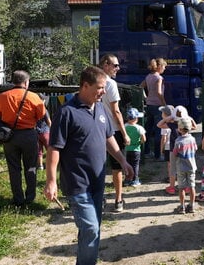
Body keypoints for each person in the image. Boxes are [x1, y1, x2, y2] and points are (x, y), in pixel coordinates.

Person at [44, 66, 134, 265]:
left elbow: (108, 137)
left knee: (93, 229)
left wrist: (122, 160)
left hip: (97, 182)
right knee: (91, 228)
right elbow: (54, 148)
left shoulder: (100, 108)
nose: (103, 92)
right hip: (77, 183)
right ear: (85, 85)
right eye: (100, 87)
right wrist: (51, 181)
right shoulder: (66, 112)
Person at [0, 70, 47, 207]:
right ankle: (30, 197)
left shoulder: (3, 96)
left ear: (13, 81)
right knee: (31, 167)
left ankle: (18, 198)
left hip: (9, 136)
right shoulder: (34, 97)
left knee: (13, 168)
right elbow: (41, 116)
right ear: (26, 82)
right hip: (29, 135)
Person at [98, 54, 129, 212]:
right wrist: (124, 133)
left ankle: (100, 198)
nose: (118, 68)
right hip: (113, 130)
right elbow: (116, 111)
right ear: (106, 65)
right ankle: (118, 200)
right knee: (117, 166)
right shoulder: (110, 83)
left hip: (96, 129)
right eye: (115, 65)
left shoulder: (93, 81)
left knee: (99, 165)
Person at [172, 113, 198, 214]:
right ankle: (192, 206)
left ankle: (182, 207)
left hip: (181, 167)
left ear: (180, 129)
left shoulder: (178, 141)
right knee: (192, 186)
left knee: (181, 187)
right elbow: (195, 149)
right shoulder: (193, 139)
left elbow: (175, 153)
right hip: (191, 166)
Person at [142, 58, 167, 161]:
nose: (165, 69)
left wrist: (146, 98)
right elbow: (159, 92)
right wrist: (164, 105)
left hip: (149, 105)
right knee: (158, 131)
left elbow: (140, 87)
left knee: (148, 129)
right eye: (164, 67)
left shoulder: (148, 76)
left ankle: (146, 152)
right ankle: (158, 155)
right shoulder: (159, 78)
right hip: (157, 106)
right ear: (160, 67)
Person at [124, 107, 146, 186]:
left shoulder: (124, 126)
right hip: (136, 149)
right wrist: (140, 142)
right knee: (135, 165)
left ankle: (127, 179)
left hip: (127, 149)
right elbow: (144, 139)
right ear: (136, 118)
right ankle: (135, 180)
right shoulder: (139, 128)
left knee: (127, 164)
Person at [158, 105, 175, 195]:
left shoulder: (165, 126)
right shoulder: (176, 123)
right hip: (177, 148)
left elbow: (163, 139)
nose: (161, 114)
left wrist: (162, 149)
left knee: (170, 165)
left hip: (169, 148)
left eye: (162, 113)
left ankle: (170, 181)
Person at [36, 100, 52, 170]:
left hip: (36, 133)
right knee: (50, 150)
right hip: (45, 132)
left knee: (39, 151)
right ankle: (51, 165)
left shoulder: (34, 110)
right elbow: (49, 122)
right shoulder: (44, 110)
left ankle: (40, 166)